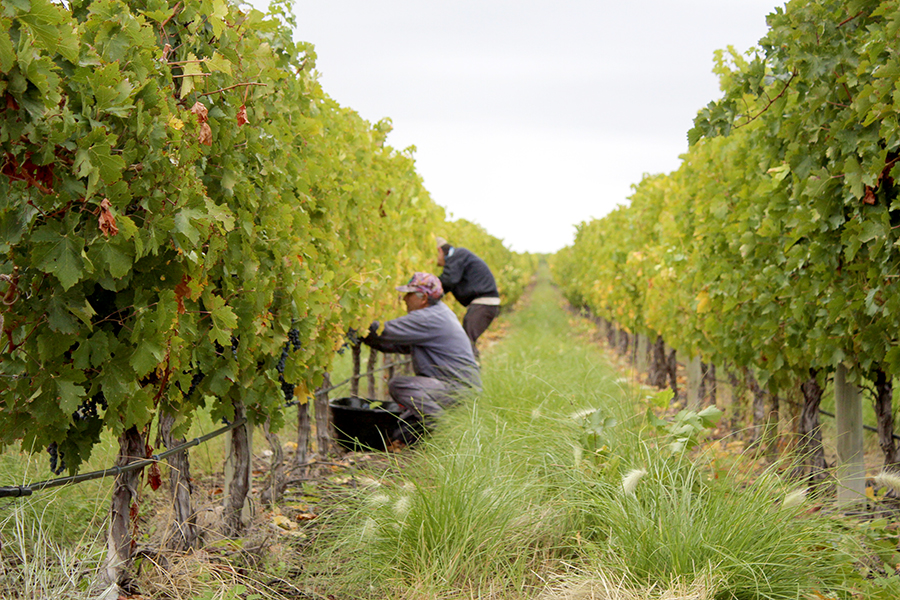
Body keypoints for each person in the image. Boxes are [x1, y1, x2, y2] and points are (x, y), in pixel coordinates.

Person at [361, 272, 480, 442]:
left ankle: (448, 431)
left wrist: (358, 325)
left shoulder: (428, 317)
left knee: (399, 385)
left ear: (423, 297)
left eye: (408, 294)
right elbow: (393, 344)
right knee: (403, 433)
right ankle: (446, 430)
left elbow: (383, 332)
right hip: (457, 388)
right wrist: (365, 337)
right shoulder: (440, 313)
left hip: (458, 390)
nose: (404, 299)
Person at [435, 237, 500, 357]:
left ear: (440, 251)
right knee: (466, 340)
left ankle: (471, 371)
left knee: (465, 341)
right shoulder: (458, 258)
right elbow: (448, 284)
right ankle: (471, 370)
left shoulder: (458, 255)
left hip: (484, 303)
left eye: (434, 257)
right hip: (483, 303)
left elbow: (449, 280)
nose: (435, 262)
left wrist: (428, 287)